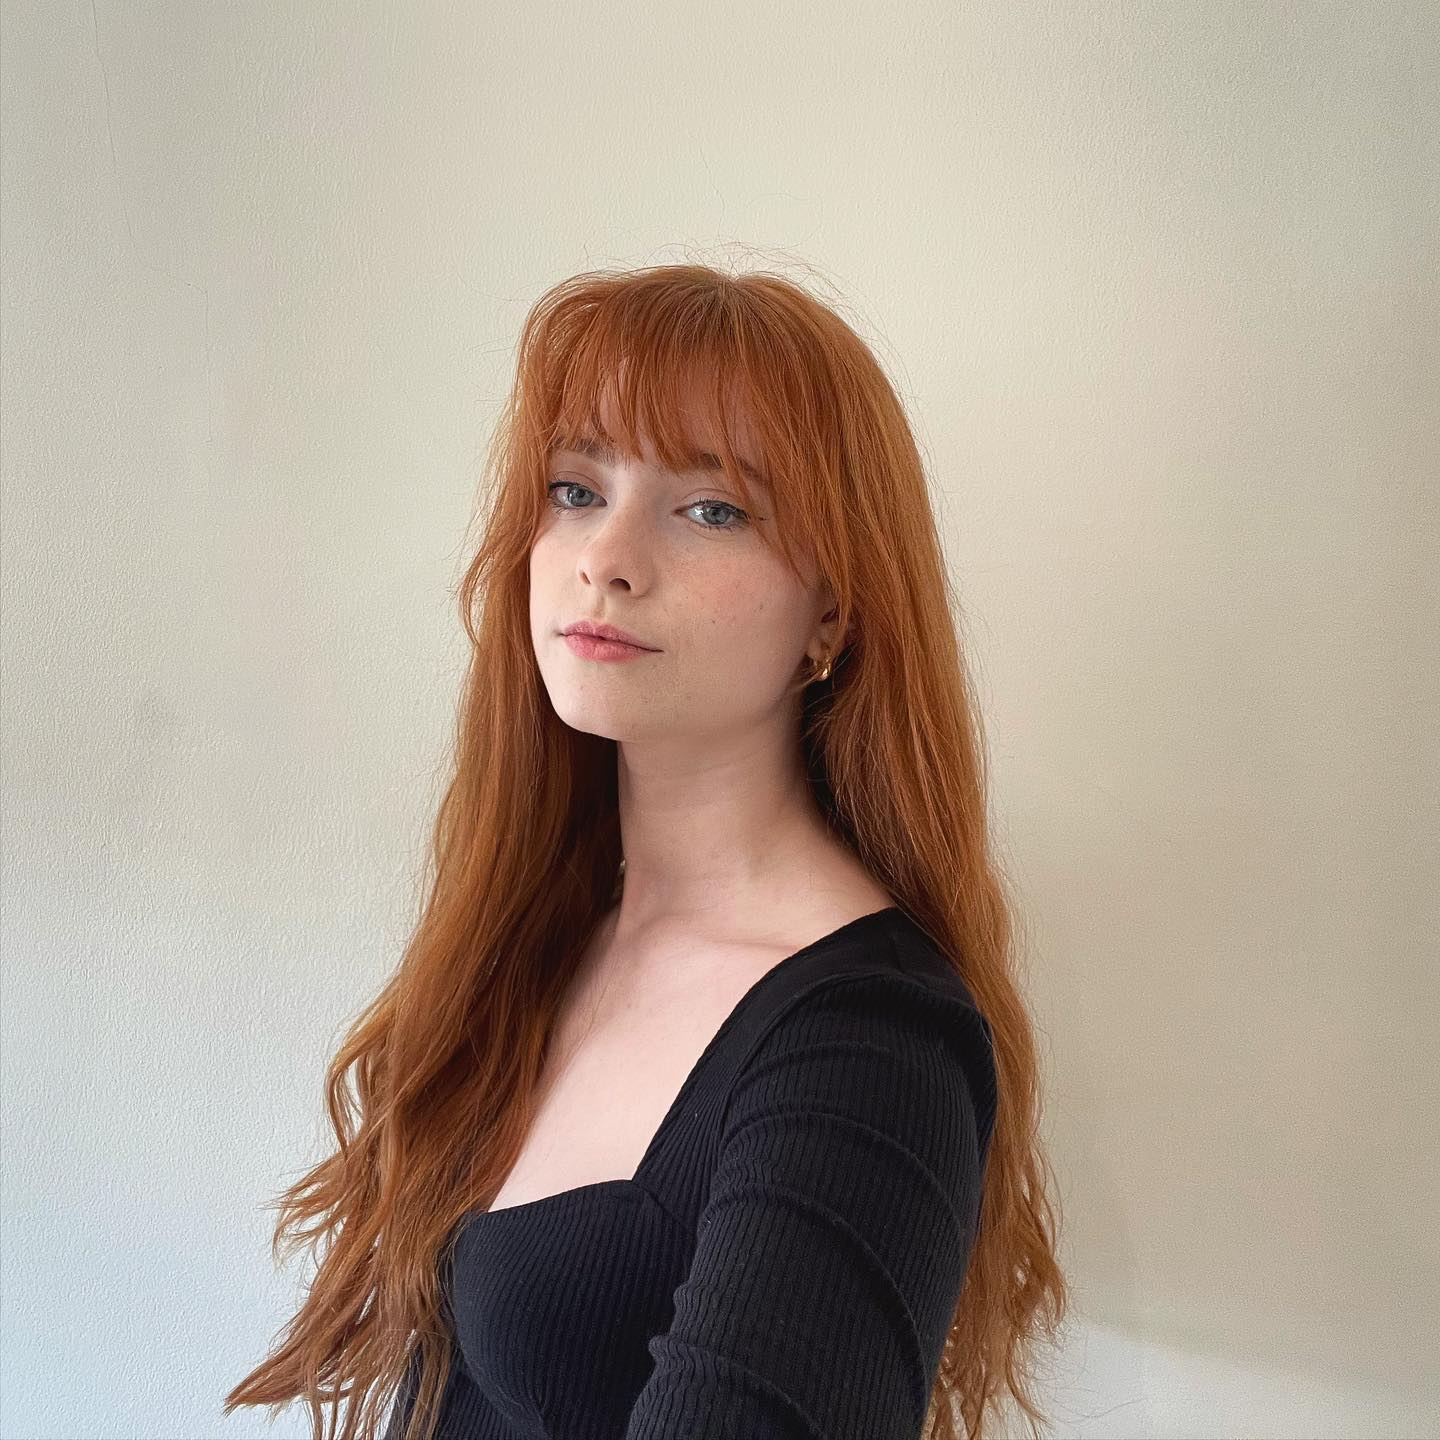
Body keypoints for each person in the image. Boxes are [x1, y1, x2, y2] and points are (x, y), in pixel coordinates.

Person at [224, 261, 1067, 1440]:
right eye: (575, 490)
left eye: (711, 509)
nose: (606, 558)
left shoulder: (873, 1048)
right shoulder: (548, 935)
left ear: (831, 611)